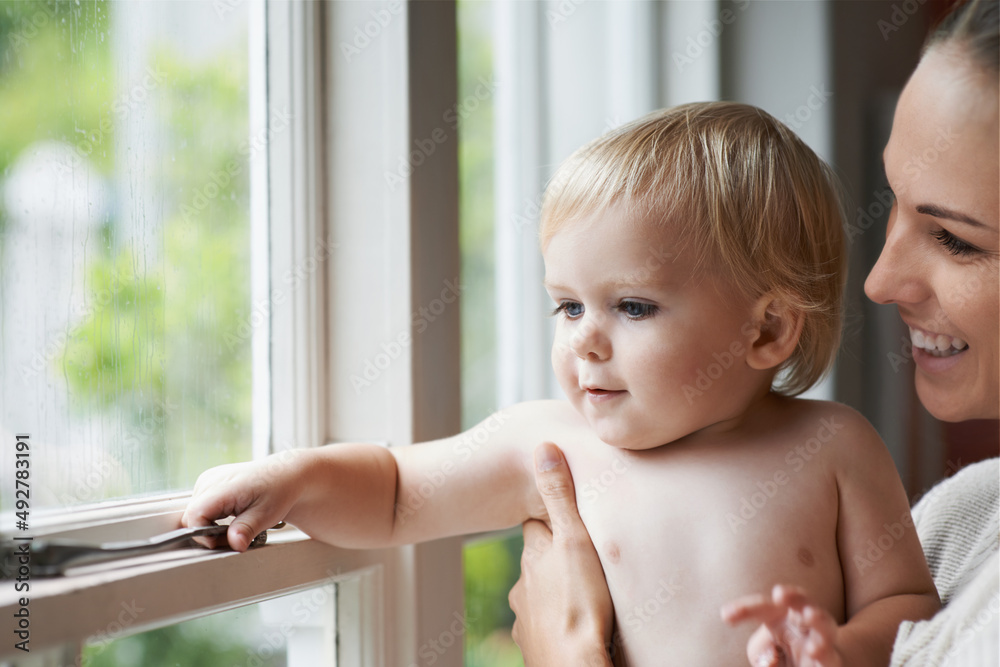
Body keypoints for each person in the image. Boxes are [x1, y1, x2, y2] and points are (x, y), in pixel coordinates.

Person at [182, 101, 940, 665]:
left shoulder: (835, 447)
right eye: (567, 304)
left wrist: (839, 648)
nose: (584, 336)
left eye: (632, 305)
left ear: (768, 330)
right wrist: (294, 477)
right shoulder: (549, 445)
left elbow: (909, 608)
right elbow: (391, 491)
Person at [508, 0, 999, 665]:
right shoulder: (968, 516)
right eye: (894, 204)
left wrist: (568, 654)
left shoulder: (846, 459)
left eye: (954, 237)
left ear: (768, 330)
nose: (878, 281)